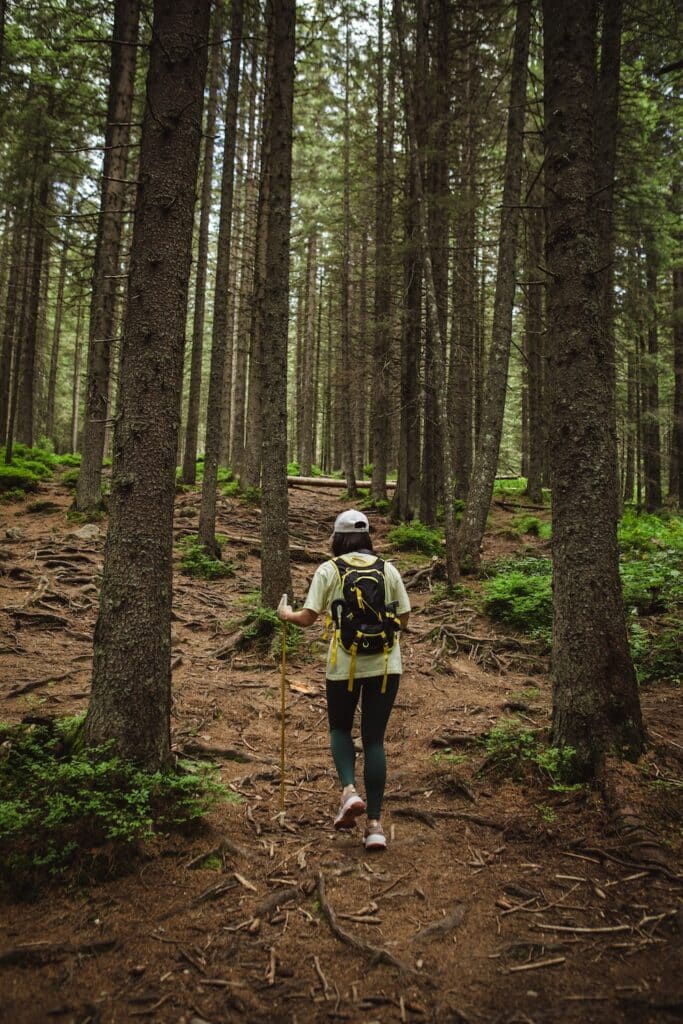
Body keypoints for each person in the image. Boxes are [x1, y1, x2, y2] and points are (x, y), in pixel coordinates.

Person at [277, 509, 410, 850]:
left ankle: (349, 790)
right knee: (375, 741)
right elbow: (404, 619)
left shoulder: (329, 570)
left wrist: (285, 614)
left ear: (337, 537)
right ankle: (376, 827)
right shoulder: (388, 568)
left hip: (343, 666)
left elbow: (307, 618)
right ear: (367, 536)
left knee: (339, 729)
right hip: (385, 666)